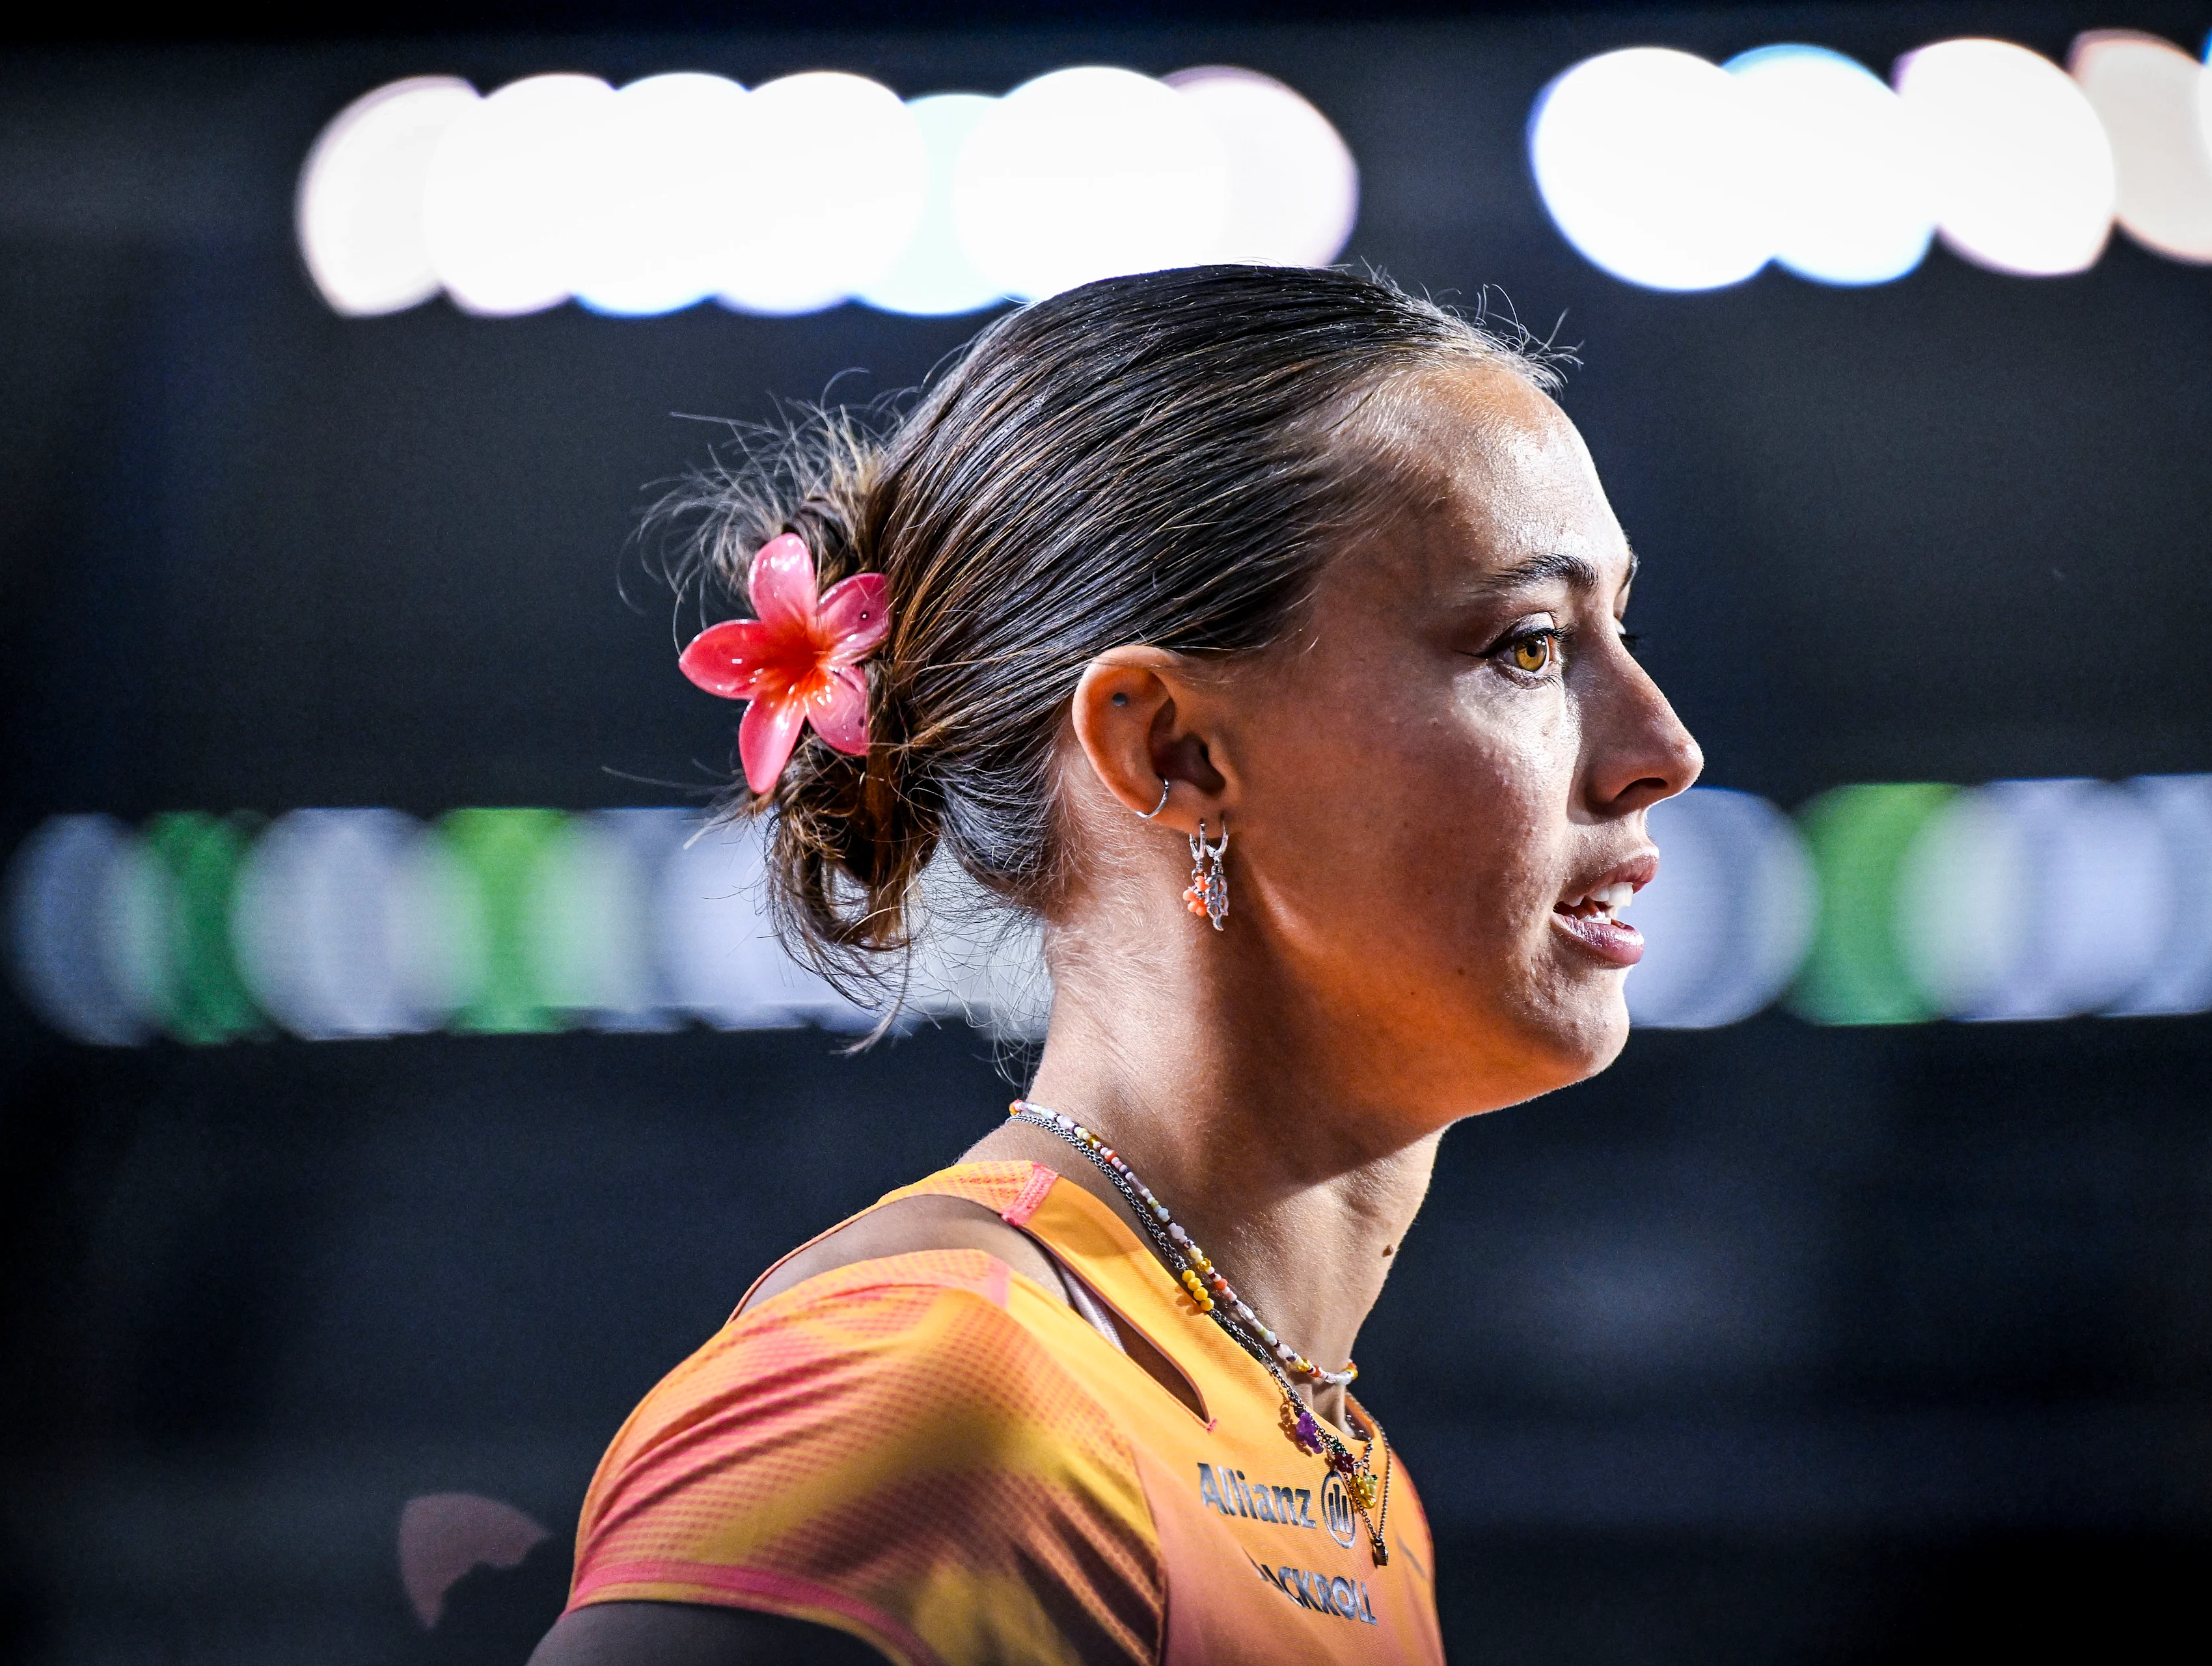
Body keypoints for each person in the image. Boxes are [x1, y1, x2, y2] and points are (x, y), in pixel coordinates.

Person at [530, 266, 1700, 1666]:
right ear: (1172, 753)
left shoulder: (1318, 1447)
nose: (1663, 749)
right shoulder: (926, 1399)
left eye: (1620, 629)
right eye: (1528, 644)